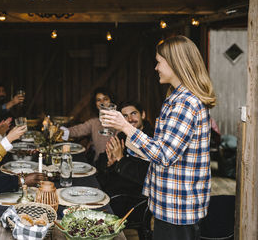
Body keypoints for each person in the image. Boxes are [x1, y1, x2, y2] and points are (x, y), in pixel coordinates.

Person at [101, 36, 216, 240]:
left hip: (178, 207)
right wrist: (124, 154)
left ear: (175, 63)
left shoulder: (185, 103)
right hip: (172, 205)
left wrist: (125, 126)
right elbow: (165, 150)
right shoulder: (176, 98)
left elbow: (164, 155)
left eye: (159, 61)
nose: (156, 67)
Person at [97, 101, 154, 197]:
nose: (130, 119)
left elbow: (144, 176)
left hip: (131, 197)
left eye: (134, 113)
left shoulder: (151, 138)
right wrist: (110, 162)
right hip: (110, 188)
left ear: (143, 115)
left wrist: (121, 159)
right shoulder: (122, 135)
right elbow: (101, 160)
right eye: (125, 116)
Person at [61, 87, 115, 164]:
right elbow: (78, 130)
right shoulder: (94, 122)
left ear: (111, 102)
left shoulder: (119, 122)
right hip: (98, 165)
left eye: (105, 99)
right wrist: (60, 131)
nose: (102, 102)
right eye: (98, 100)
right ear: (95, 104)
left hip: (116, 165)